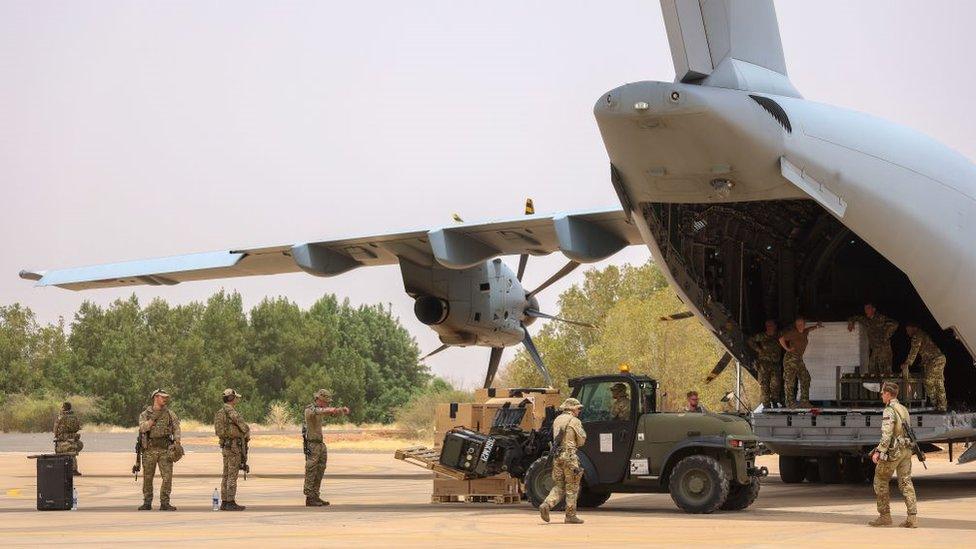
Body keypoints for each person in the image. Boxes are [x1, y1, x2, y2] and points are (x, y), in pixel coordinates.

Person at [869, 381, 918, 528]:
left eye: (883, 392)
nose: (881, 395)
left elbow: (887, 435)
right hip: (906, 450)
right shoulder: (903, 409)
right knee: (906, 482)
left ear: (888, 395)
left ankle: (884, 516)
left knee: (880, 479)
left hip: (894, 452)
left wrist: (879, 451)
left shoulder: (889, 410)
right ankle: (912, 517)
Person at [539, 398, 587, 525]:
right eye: (578, 408)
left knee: (559, 485)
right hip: (569, 457)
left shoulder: (557, 420)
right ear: (571, 408)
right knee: (572, 487)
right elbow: (582, 440)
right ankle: (570, 515)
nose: (579, 411)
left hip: (557, 456)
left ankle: (547, 504)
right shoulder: (575, 421)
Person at [303, 388, 350, 507]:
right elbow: (321, 411)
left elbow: (329, 412)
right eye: (326, 401)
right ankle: (310, 497)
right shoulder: (310, 409)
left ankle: (315, 495)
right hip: (312, 444)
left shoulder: (321, 409)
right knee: (311, 470)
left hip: (320, 444)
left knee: (320, 470)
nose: (327, 403)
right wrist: (333, 409)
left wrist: (340, 410)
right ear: (319, 399)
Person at [137, 389, 182, 511]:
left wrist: (177, 442)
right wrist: (152, 419)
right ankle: (147, 502)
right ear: (156, 397)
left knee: (167, 477)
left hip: (165, 450)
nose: (165, 399)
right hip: (149, 450)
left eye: (166, 397)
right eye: (163, 397)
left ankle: (165, 503)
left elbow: (177, 428)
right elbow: (142, 428)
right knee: (148, 477)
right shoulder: (145, 414)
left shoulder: (169, 414)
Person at [214, 388, 250, 511]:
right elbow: (244, 427)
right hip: (234, 447)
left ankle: (224, 501)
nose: (236, 399)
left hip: (225, 446)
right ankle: (230, 501)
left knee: (225, 474)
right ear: (231, 398)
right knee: (232, 475)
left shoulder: (220, 412)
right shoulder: (232, 412)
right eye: (235, 397)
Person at [901, 322, 947, 411]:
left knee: (928, 380)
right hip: (939, 359)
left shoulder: (917, 335)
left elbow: (914, 350)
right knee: (938, 382)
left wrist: (907, 363)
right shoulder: (921, 334)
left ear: (913, 328)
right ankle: (941, 406)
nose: (907, 332)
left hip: (935, 360)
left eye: (908, 329)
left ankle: (934, 403)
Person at [779, 317, 823, 408]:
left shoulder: (804, 331)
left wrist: (817, 326)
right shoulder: (793, 333)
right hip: (790, 359)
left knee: (806, 378)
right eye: (798, 324)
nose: (800, 326)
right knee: (790, 380)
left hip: (799, 359)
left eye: (802, 324)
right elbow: (781, 338)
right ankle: (790, 403)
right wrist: (787, 348)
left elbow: (809, 329)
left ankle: (804, 401)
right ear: (795, 325)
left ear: (804, 324)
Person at [848, 303, 900, 375]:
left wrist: (885, 336)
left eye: (868, 308)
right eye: (865, 309)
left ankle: (887, 386)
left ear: (874, 309)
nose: (866, 311)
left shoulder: (880, 318)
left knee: (885, 373)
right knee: (872, 372)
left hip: (884, 350)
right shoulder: (867, 320)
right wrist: (851, 322)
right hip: (875, 350)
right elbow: (855, 317)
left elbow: (895, 324)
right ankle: (875, 385)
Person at [748, 320, 783, 408]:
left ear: (775, 326)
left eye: (771, 325)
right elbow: (750, 341)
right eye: (768, 325)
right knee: (764, 385)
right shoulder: (762, 336)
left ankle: (775, 402)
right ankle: (766, 405)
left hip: (775, 364)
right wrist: (758, 350)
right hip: (764, 364)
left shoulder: (778, 335)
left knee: (776, 384)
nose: (770, 327)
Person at [53, 402, 83, 476]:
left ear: (64, 407)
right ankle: (74, 469)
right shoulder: (74, 416)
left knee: (60, 452)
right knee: (72, 454)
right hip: (73, 437)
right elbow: (78, 427)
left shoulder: (61, 416)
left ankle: (62, 469)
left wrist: (57, 435)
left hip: (63, 438)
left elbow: (55, 428)